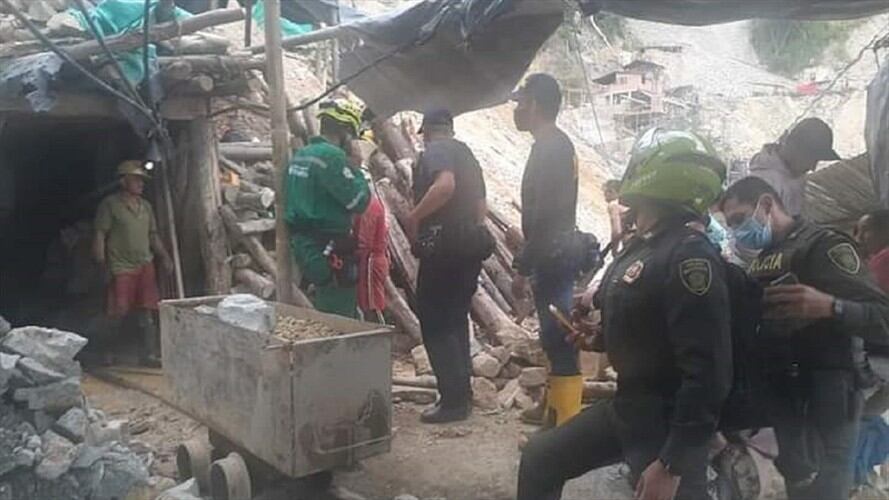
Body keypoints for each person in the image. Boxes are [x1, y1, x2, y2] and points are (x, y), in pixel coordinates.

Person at [518, 128, 732, 500]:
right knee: (540, 458)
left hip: (668, 422)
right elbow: (651, 327)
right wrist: (599, 340)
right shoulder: (648, 245)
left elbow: (708, 371)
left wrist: (672, 464)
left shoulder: (688, 257)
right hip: (630, 407)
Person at [720, 176, 889, 500]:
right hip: (785, 395)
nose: (737, 230)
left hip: (829, 391)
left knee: (826, 488)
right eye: (731, 225)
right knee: (799, 486)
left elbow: (883, 317)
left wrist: (830, 306)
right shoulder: (763, 259)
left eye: (740, 219)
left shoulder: (825, 245)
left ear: (767, 204)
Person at [406, 109, 490, 424]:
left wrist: (414, 217)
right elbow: (481, 207)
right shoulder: (468, 154)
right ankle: (461, 393)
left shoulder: (437, 150)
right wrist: (469, 236)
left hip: (443, 249)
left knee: (434, 318)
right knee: (456, 317)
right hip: (469, 246)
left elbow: (445, 186)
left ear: (427, 131)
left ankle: (453, 401)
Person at [511, 73, 583, 427]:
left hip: (553, 255)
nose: (517, 109)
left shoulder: (553, 148)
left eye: (521, 102)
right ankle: (553, 406)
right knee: (551, 335)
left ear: (535, 104)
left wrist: (523, 266)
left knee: (560, 336)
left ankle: (563, 425)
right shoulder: (552, 145)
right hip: (552, 253)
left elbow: (546, 215)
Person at [285, 99, 370, 317]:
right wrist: (357, 167)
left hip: (305, 244)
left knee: (326, 309)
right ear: (346, 133)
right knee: (339, 316)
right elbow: (359, 201)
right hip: (329, 248)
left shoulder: (302, 155)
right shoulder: (332, 158)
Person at [93, 160, 173, 367]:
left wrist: (164, 257)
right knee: (118, 311)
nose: (141, 184)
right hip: (121, 266)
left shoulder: (145, 207)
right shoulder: (110, 205)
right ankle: (107, 351)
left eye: (142, 180)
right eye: (136, 179)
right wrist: (101, 263)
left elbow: (153, 236)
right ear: (123, 181)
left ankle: (148, 355)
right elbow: (100, 235)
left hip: (144, 264)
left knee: (147, 310)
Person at [748, 117, 840, 217]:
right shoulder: (766, 183)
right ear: (793, 147)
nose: (813, 167)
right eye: (810, 158)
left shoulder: (794, 175)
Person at [353, 173, 389, 323]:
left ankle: (377, 335)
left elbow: (364, 241)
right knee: (369, 300)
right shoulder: (373, 203)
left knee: (370, 303)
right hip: (373, 258)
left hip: (370, 260)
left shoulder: (368, 206)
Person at [856, 209, 889, 293]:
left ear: (885, 230)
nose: (859, 238)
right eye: (858, 231)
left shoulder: (883, 259)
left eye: (866, 229)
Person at [603, 179, 630, 256]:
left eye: (608, 191)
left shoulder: (613, 205)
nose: (604, 194)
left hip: (629, 242)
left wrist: (614, 252)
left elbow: (616, 231)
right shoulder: (624, 206)